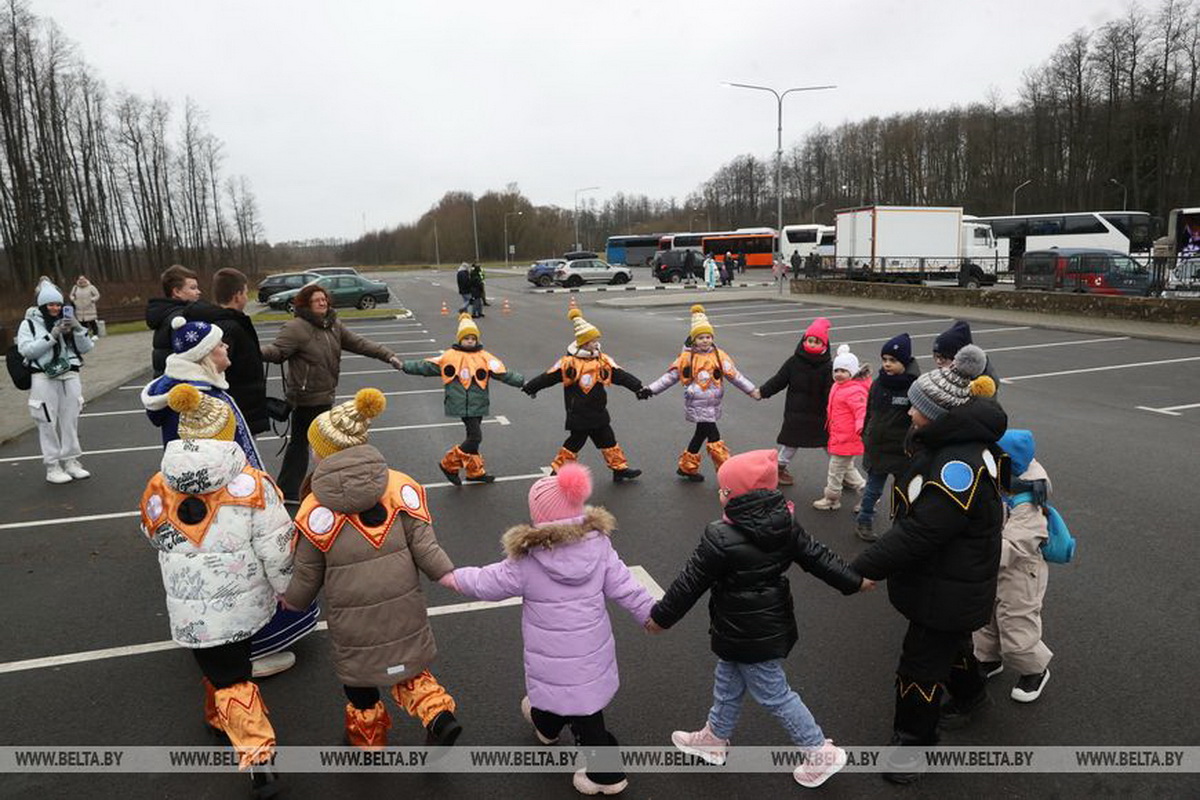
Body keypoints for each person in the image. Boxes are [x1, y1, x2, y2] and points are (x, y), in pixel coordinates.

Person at [647, 449, 868, 789]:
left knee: (774, 693)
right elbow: (818, 558)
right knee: (728, 678)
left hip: (744, 629)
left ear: (736, 498)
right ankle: (714, 737)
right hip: (768, 622)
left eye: (724, 490)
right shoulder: (786, 523)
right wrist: (853, 581)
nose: (720, 494)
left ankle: (818, 751)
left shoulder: (720, 536)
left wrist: (660, 618)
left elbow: (689, 582)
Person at [446, 463, 654, 795]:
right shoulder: (598, 546)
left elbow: (489, 582)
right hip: (590, 649)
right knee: (575, 695)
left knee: (584, 712)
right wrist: (650, 614)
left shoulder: (528, 558)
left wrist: (454, 578)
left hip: (552, 655)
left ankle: (607, 775)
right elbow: (625, 585)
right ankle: (546, 724)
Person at [849, 345, 1006, 784]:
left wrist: (865, 567)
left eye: (917, 410)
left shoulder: (959, 462)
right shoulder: (951, 444)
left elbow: (923, 530)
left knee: (919, 664)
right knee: (949, 642)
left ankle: (913, 747)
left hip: (950, 581)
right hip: (950, 577)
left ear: (937, 415)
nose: (910, 415)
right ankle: (972, 698)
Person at [284, 388, 464, 750]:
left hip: (352, 616)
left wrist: (293, 602)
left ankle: (368, 739)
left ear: (323, 452)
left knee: (360, 680)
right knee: (407, 667)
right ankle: (437, 714)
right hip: (402, 605)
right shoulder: (399, 486)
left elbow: (307, 572)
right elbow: (425, 546)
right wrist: (448, 574)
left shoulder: (315, 509)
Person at [139, 384, 291, 796]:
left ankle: (220, 716)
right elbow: (277, 547)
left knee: (217, 666)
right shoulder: (252, 486)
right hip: (242, 603)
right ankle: (260, 759)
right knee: (235, 674)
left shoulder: (157, 486)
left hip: (191, 608)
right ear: (226, 435)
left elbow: (152, 534)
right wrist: (289, 588)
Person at [260, 282, 404, 502]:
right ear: (306, 304)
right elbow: (278, 351)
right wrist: (253, 350)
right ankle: (291, 490)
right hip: (304, 398)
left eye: (324, 299)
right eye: (317, 300)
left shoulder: (333, 324)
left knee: (320, 443)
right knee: (305, 443)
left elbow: (358, 342)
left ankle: (304, 487)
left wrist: (387, 354)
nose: (322, 302)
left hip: (326, 394)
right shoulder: (296, 327)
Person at [974, 428, 1054, 704]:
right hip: (992, 565)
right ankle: (988, 658)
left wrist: (976, 555)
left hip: (1021, 572)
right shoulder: (1001, 483)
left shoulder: (1028, 502)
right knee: (985, 616)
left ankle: (1034, 669)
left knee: (1017, 622)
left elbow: (1017, 544)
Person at [399, 313, 525, 484]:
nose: (470, 341)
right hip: (460, 404)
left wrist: (522, 382)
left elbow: (503, 373)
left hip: (478, 404)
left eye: (473, 338)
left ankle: (474, 471)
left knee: (472, 437)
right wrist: (404, 366)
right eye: (466, 338)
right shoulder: (450, 356)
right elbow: (426, 366)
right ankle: (448, 464)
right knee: (475, 437)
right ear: (460, 339)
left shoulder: (484, 357)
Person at [638, 305, 758, 482]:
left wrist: (752, 390)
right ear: (693, 340)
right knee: (714, 437)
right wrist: (651, 389)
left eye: (708, 337)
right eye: (701, 337)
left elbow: (735, 375)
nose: (705, 340)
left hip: (713, 403)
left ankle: (687, 468)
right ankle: (729, 475)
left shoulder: (719, 355)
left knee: (700, 434)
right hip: (698, 403)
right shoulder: (686, 358)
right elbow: (670, 377)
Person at [523, 309, 644, 483]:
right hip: (578, 412)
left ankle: (620, 469)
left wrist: (638, 387)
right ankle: (556, 472)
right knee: (575, 442)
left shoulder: (601, 361)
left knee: (608, 439)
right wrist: (531, 387)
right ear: (583, 343)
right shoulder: (569, 363)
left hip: (598, 411)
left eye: (596, 340)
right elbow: (549, 377)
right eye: (592, 341)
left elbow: (620, 375)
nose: (596, 344)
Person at [141, 317, 263, 468]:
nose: (226, 346)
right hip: (218, 485)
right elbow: (213, 454)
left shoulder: (200, 390)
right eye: (219, 344)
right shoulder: (198, 399)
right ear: (204, 355)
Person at [17, 281, 94, 484]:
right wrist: (52, 336)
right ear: (42, 305)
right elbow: (26, 350)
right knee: (46, 421)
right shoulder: (29, 323)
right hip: (43, 376)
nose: (55, 308)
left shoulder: (67, 320)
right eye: (50, 305)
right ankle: (52, 466)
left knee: (70, 420)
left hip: (69, 374)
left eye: (58, 305)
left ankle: (71, 462)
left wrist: (77, 329)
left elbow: (86, 348)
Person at [856, 333, 919, 541]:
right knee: (873, 489)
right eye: (884, 360)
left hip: (902, 449)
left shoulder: (914, 386)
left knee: (903, 490)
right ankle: (864, 520)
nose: (887, 364)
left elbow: (918, 419)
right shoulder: (878, 383)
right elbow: (869, 410)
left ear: (905, 361)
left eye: (893, 360)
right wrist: (866, 433)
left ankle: (901, 524)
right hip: (878, 446)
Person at [757, 317, 834, 487]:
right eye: (810, 340)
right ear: (804, 340)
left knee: (831, 446)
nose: (812, 344)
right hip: (796, 413)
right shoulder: (794, 362)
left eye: (817, 342)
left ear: (825, 345)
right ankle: (777, 469)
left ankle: (843, 474)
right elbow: (779, 380)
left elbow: (832, 391)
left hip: (820, 414)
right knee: (790, 445)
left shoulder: (829, 367)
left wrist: (838, 408)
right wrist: (762, 391)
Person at [812, 345, 871, 511]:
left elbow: (862, 411)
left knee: (835, 470)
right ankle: (868, 494)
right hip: (840, 436)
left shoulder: (854, 390)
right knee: (846, 467)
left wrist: (861, 428)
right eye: (836, 370)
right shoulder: (839, 386)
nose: (839, 374)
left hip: (848, 437)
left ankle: (832, 499)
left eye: (843, 371)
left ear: (852, 372)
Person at [210, 268, 268, 435]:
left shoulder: (230, 323)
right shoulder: (229, 327)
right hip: (238, 410)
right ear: (237, 295)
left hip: (242, 407)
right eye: (245, 292)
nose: (246, 297)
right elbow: (219, 368)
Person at [146, 264, 222, 377]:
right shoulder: (181, 318)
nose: (198, 292)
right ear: (177, 292)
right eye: (193, 288)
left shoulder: (165, 314)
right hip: (181, 381)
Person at [933, 320, 999, 391]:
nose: (938, 362)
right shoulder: (958, 376)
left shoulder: (981, 386)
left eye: (943, 358)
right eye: (936, 356)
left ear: (958, 359)